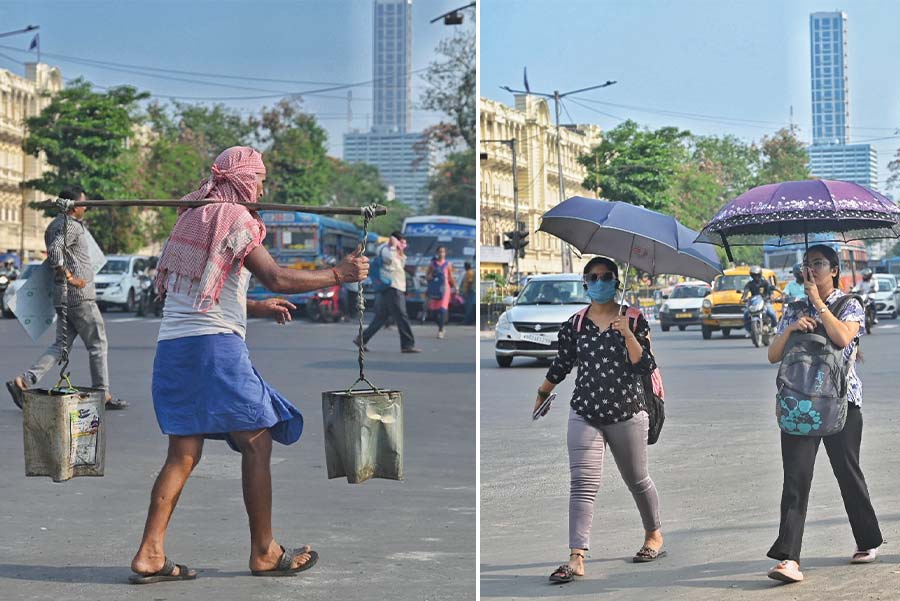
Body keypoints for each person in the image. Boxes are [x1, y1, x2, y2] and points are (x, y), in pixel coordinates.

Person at [129, 147, 369, 584]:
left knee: (183, 454)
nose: (261, 188)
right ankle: (264, 551)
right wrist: (339, 274)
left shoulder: (192, 216)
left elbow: (202, 290)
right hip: (214, 350)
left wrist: (255, 309)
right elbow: (277, 276)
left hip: (175, 351)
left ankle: (150, 553)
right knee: (257, 441)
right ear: (241, 180)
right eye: (258, 179)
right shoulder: (234, 219)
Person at [534, 256, 664, 584]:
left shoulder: (634, 319)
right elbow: (562, 363)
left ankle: (654, 535)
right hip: (585, 411)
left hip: (628, 412)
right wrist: (542, 391)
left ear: (616, 282)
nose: (600, 281)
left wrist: (628, 335)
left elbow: (644, 366)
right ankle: (576, 556)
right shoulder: (575, 323)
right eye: (593, 277)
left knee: (637, 479)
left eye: (606, 276)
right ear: (585, 284)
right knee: (582, 483)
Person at [765, 245, 883, 584]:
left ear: (834, 270)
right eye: (807, 264)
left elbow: (844, 337)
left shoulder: (850, 304)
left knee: (847, 472)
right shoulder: (792, 308)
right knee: (796, 479)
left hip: (841, 404)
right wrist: (791, 329)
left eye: (818, 263)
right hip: (799, 404)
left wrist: (819, 304)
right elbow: (774, 354)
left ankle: (867, 539)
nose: (811, 269)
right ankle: (789, 558)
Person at [5, 184, 128, 411]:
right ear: (73, 206)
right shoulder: (70, 226)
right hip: (79, 296)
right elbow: (54, 252)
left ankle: (25, 380)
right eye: (83, 203)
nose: (85, 207)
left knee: (61, 345)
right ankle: (102, 393)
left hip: (63, 297)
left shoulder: (54, 225)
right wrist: (71, 277)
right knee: (98, 344)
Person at [355, 232, 420, 353]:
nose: (404, 244)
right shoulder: (385, 248)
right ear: (396, 240)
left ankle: (362, 339)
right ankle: (407, 344)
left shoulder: (397, 251)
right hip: (392, 287)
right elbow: (389, 259)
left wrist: (399, 251)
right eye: (402, 242)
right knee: (402, 315)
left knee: (381, 317)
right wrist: (393, 246)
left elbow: (400, 264)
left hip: (397, 286)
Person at [426, 246, 457, 339]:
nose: (441, 254)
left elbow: (451, 277)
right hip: (435, 288)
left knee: (442, 309)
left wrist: (455, 287)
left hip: (444, 289)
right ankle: (440, 325)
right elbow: (427, 276)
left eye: (443, 252)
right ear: (436, 252)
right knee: (434, 311)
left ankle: (441, 329)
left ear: (445, 253)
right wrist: (430, 276)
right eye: (439, 252)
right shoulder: (432, 264)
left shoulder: (448, 264)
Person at [741, 265, 778, 332]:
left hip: (765, 301)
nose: (756, 277)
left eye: (757, 275)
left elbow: (770, 290)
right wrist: (743, 298)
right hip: (754, 302)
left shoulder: (765, 282)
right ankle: (749, 330)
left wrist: (772, 296)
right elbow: (746, 291)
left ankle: (774, 326)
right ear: (751, 276)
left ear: (760, 274)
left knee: (771, 313)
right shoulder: (750, 284)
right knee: (746, 314)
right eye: (754, 275)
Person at [462, 261, 476, 325]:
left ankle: (467, 321)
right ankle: (468, 320)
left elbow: (470, 283)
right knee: (467, 307)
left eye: (465, 266)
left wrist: (467, 291)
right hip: (467, 292)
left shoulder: (470, 273)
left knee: (468, 308)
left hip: (469, 292)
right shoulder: (468, 272)